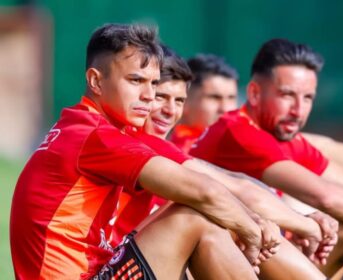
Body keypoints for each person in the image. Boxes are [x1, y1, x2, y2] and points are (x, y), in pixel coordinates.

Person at [10, 23, 282, 280]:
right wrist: (253, 230)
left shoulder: (89, 127)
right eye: (135, 80)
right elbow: (205, 191)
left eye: (153, 83)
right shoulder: (97, 136)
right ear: (95, 81)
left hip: (102, 267)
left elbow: (219, 189)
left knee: (204, 216)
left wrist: (252, 221)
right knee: (192, 216)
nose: (150, 96)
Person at [111, 45, 332, 280]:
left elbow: (242, 187)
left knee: (217, 217)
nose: (226, 108)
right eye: (161, 98)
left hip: (148, 257)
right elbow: (241, 191)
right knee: (201, 214)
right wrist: (306, 226)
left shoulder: (155, 143)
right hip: (119, 265)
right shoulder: (224, 134)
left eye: (178, 100)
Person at [190, 38, 343, 279]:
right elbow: (328, 198)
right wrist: (303, 223)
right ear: (254, 93)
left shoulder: (286, 136)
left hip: (265, 253)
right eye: (287, 95)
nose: (298, 110)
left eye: (308, 98)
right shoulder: (239, 132)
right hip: (231, 262)